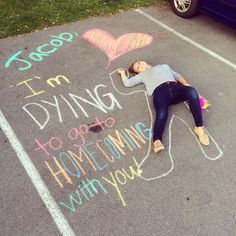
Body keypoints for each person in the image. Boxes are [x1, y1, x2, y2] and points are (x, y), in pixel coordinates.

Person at [117, 61, 210, 154]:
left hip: (175, 89)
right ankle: (157, 140)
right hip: (160, 93)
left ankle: (199, 128)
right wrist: (122, 74)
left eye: (139, 62)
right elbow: (128, 83)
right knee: (161, 114)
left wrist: (187, 85)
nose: (140, 65)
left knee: (192, 91)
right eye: (138, 67)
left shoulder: (164, 66)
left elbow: (178, 76)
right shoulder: (142, 75)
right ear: (138, 72)